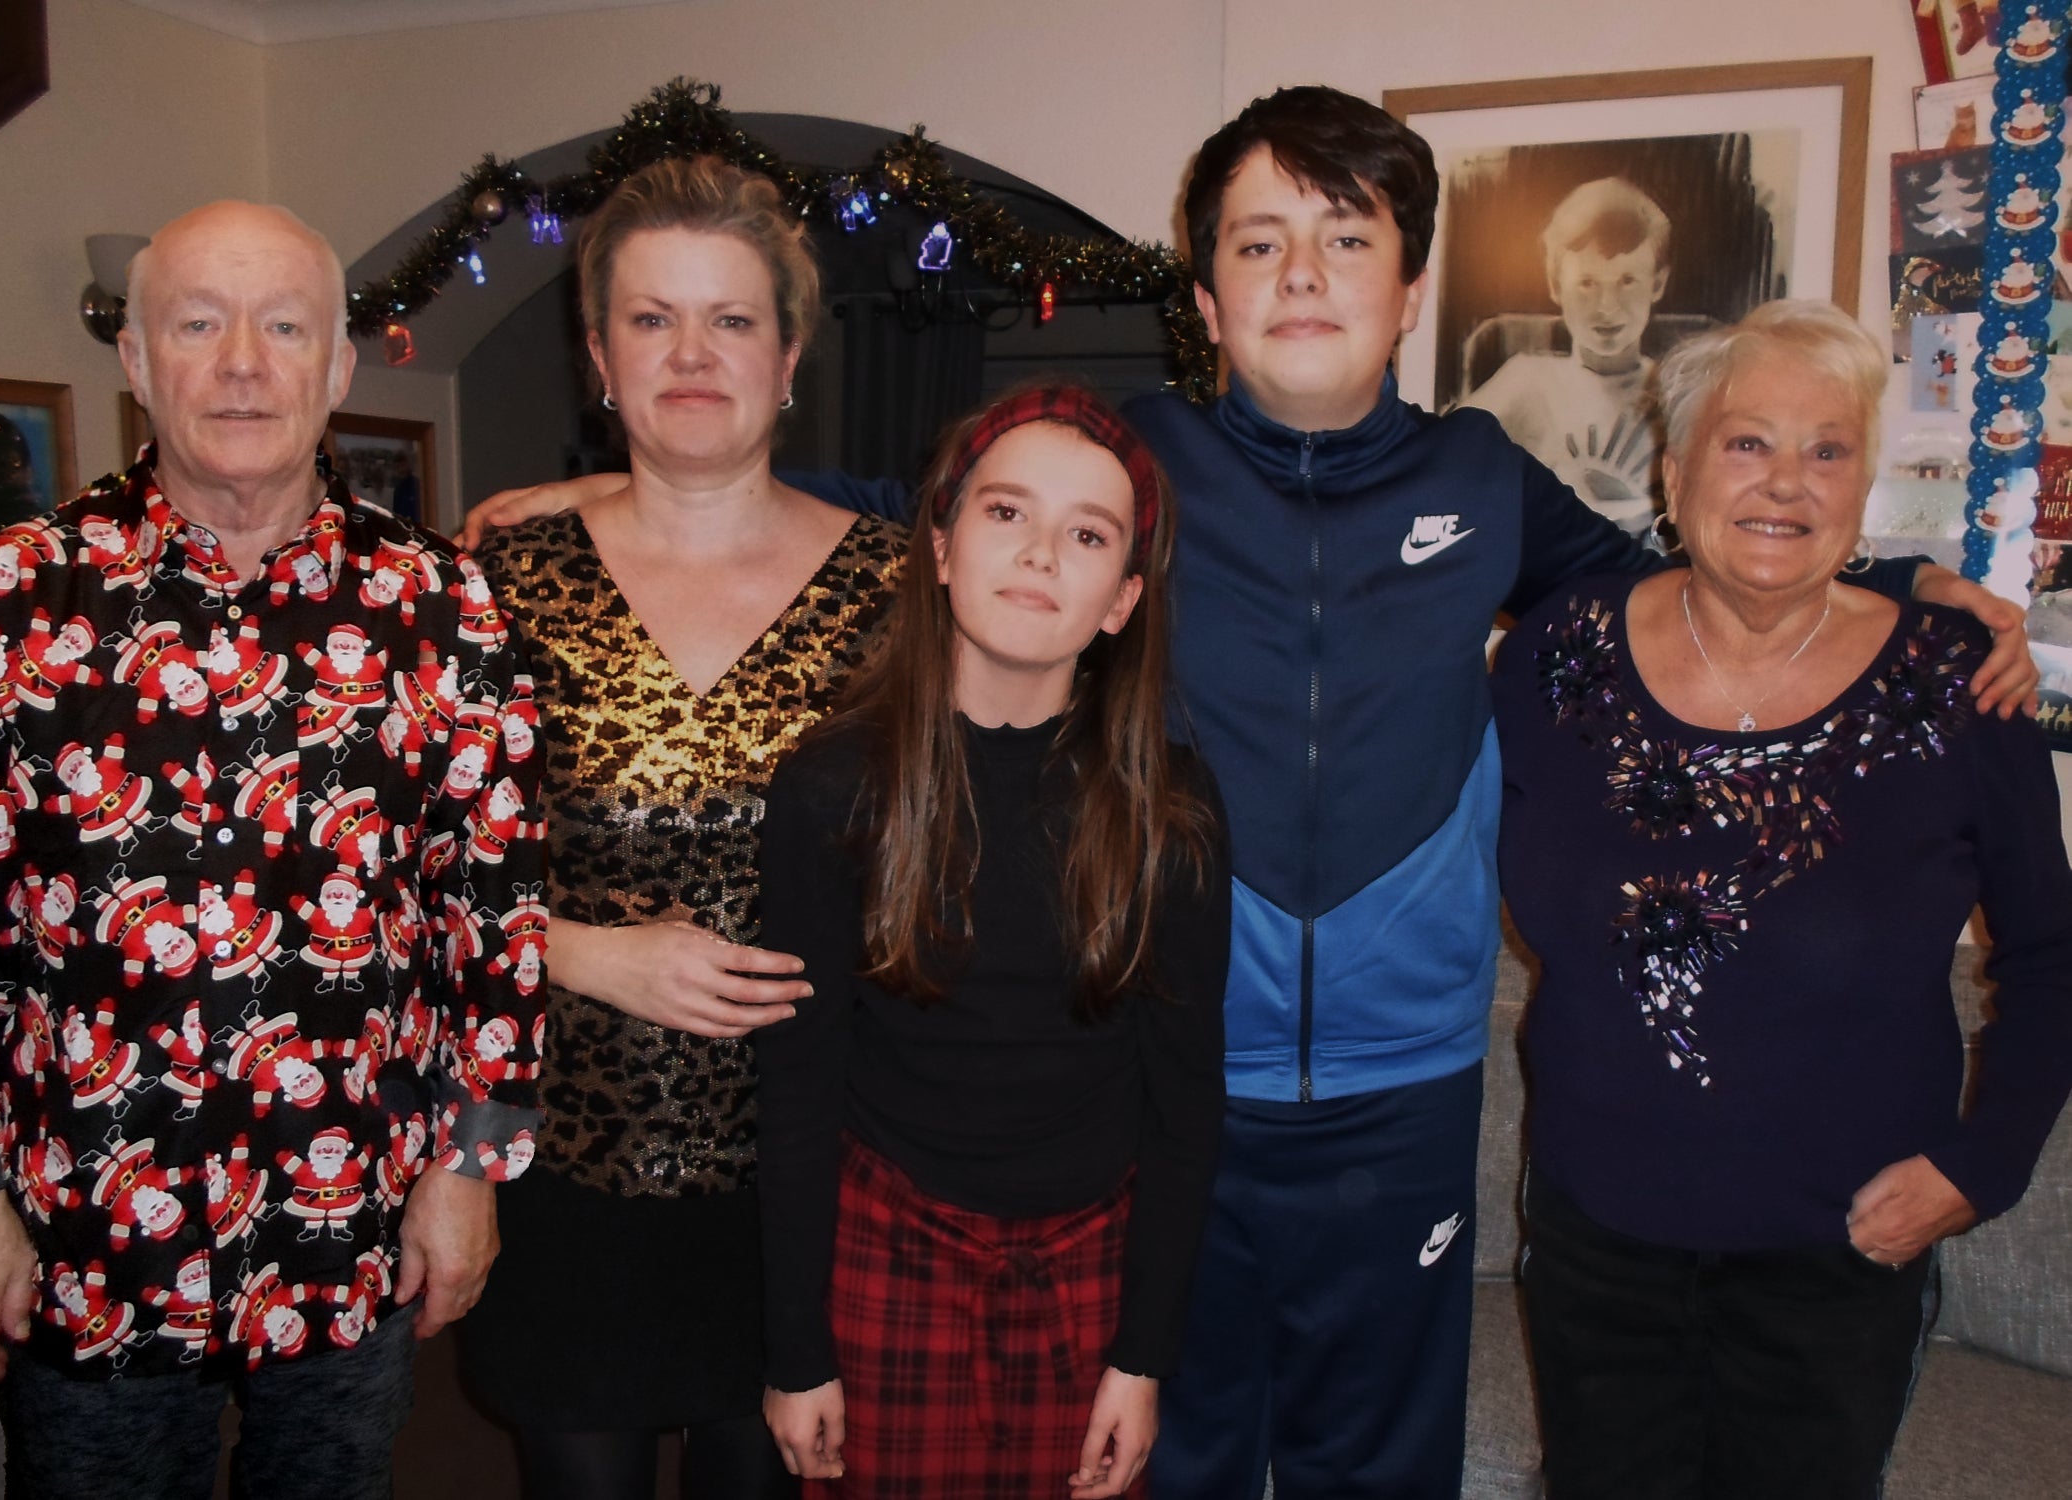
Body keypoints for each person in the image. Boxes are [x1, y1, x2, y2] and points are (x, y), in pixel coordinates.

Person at [461, 86, 2036, 1499]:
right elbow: (907, 505)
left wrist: (1903, 582)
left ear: (1409, 290)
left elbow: (1689, 570)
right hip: (1181, 1088)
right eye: (1259, 241)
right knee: (1172, 1448)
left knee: (1377, 1463)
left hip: (1401, 1096)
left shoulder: (1483, 481)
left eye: (1345, 240)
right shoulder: (1128, 469)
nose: (1302, 273)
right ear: (1205, 298)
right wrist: (636, 488)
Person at [0, 200, 547, 1499]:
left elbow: (494, 916)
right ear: (138, 360)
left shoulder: (442, 605)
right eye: (198, 323)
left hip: (352, 1208)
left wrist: (472, 1170)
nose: (242, 361)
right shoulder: (14, 598)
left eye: (284, 326)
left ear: (338, 368)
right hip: (91, 1222)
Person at [1491, 299, 2072, 1498]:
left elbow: (2052, 954)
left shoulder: (1956, 682)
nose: (1786, 483)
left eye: (1828, 450)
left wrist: (1984, 1166)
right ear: (1675, 466)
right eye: (1747, 442)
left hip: (1841, 1254)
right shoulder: (1560, 654)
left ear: (1863, 486)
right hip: (1598, 1240)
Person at [452, 156, 908, 1500]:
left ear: (789, 354)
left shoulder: (902, 592)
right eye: (652, 319)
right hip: (564, 1178)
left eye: (731, 320)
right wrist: (584, 952)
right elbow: (408, 870)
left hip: (808, 1172)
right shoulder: (498, 576)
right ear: (599, 355)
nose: (691, 354)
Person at [754, 384, 1228, 1498]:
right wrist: (796, 1352)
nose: (1041, 555)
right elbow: (796, 1086)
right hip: (889, 1245)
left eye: (1088, 534)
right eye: (1007, 513)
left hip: (1090, 1262)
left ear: (1121, 600)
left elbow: (1184, 1101)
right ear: (940, 547)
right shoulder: (831, 784)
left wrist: (1144, 1357)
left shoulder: (1172, 804)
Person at [1460, 177, 1675, 531]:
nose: (1607, 307)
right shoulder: (1528, 381)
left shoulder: (1675, 394)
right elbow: (1439, 462)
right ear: (1555, 285)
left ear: (1657, 283)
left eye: (1627, 281)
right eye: (1587, 283)